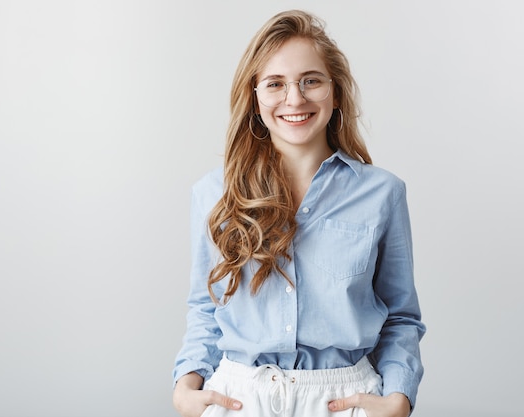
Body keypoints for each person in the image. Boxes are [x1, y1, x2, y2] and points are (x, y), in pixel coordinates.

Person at [172, 9, 425, 417]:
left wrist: (398, 397)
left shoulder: (383, 194)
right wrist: (185, 385)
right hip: (238, 398)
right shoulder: (212, 194)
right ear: (254, 98)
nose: (295, 98)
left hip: (343, 399)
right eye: (275, 84)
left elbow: (400, 316)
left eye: (311, 80)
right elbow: (206, 307)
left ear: (335, 92)